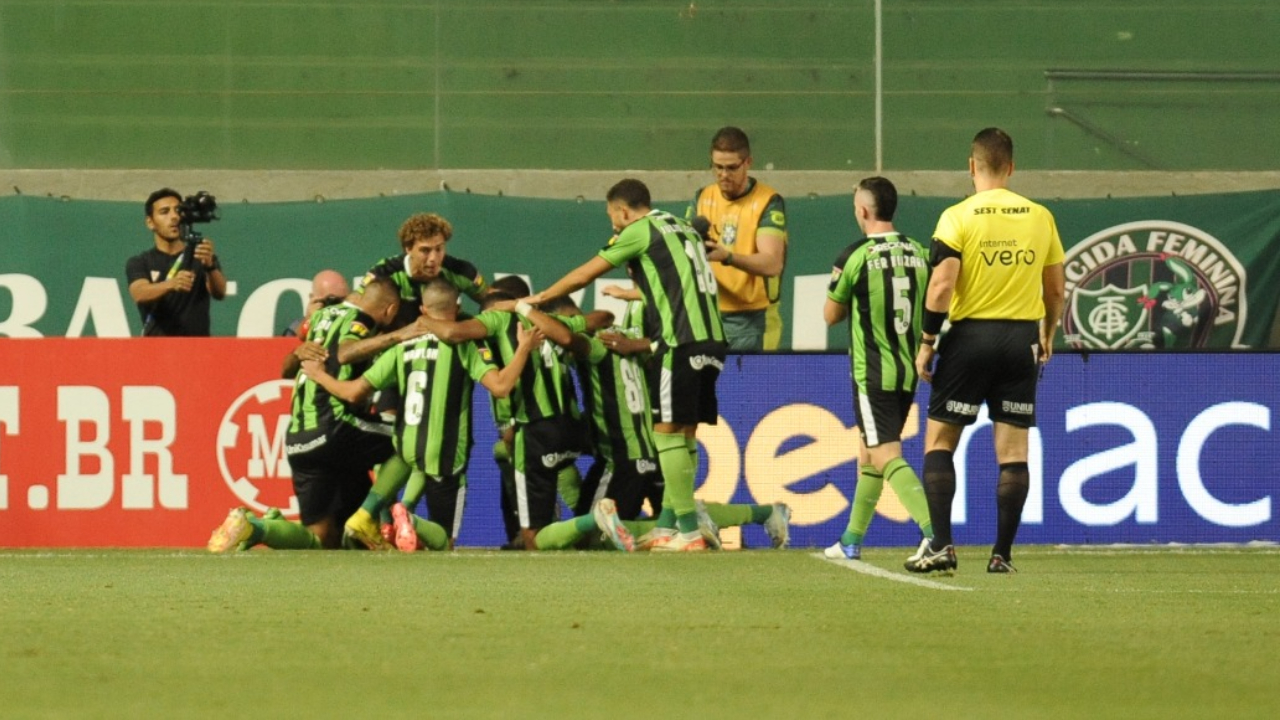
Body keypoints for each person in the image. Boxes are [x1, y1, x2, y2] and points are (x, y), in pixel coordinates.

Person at [522, 178, 727, 552]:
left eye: (611, 216)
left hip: (678, 342)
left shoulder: (638, 230)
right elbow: (672, 284)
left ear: (622, 210)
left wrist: (541, 297)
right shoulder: (681, 227)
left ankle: (689, 532)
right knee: (684, 434)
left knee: (665, 434)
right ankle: (668, 526)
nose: (613, 223)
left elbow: (586, 273)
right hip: (712, 340)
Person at [909, 128, 1066, 574]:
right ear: (1012, 167)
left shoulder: (957, 216)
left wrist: (926, 342)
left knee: (940, 442)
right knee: (1013, 451)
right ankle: (1002, 555)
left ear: (971, 165)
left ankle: (941, 544)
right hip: (1021, 339)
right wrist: (1048, 334)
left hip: (969, 339)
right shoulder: (1040, 216)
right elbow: (1054, 288)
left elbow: (942, 284)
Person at [302, 278, 543, 552]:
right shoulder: (466, 343)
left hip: (407, 448)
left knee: (395, 452)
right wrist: (524, 348)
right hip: (447, 455)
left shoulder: (402, 345)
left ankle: (381, 514)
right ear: (457, 307)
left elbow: (353, 392)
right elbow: (501, 387)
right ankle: (410, 519)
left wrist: (320, 376)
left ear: (423, 310)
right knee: (445, 541)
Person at [207, 277, 405, 552]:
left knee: (322, 539)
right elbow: (346, 352)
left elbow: (285, 370)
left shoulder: (319, 317)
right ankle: (368, 515)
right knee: (411, 440)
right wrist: (399, 336)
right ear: (390, 310)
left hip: (300, 439)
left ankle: (256, 528)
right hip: (335, 427)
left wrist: (298, 353)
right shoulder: (363, 321)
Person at [820, 177, 935, 561]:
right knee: (868, 455)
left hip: (872, 372)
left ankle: (934, 533)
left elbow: (830, 315)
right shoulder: (919, 252)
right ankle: (851, 539)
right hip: (907, 371)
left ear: (863, 211)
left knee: (884, 453)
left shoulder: (854, 256)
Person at [688, 127, 787, 351]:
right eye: (718, 167)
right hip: (709, 317)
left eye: (732, 167)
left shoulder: (768, 201)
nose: (724, 174)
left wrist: (728, 257)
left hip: (754, 320)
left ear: (748, 162)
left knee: (752, 387)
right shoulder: (702, 196)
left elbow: (772, 263)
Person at [125, 188, 229, 336]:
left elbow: (220, 293)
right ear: (150, 222)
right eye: (164, 212)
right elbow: (139, 293)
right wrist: (172, 284)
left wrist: (210, 267)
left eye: (177, 210)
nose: (174, 217)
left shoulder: (200, 254)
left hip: (196, 350)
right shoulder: (140, 261)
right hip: (156, 350)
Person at [361, 212, 487, 331]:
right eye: (425, 251)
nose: (433, 259)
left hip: (446, 340)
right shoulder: (385, 272)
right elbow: (359, 309)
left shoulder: (461, 271)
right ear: (408, 249)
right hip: (398, 342)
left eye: (439, 249)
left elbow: (492, 303)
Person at [280, 270, 351, 338]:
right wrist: (309, 320)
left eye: (344, 301)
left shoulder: (356, 321)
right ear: (313, 299)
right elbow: (288, 347)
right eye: (332, 301)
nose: (339, 307)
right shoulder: (295, 329)